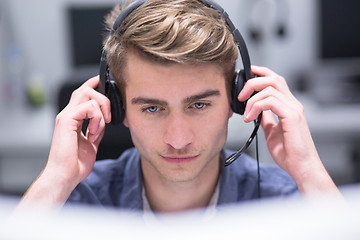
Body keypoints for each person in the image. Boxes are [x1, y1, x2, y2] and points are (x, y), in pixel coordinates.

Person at [17, 0, 341, 213]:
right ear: (116, 108)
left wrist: (310, 172)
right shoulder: (72, 205)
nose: (178, 139)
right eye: (152, 109)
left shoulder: (286, 203)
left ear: (235, 99)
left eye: (199, 105)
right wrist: (55, 178)